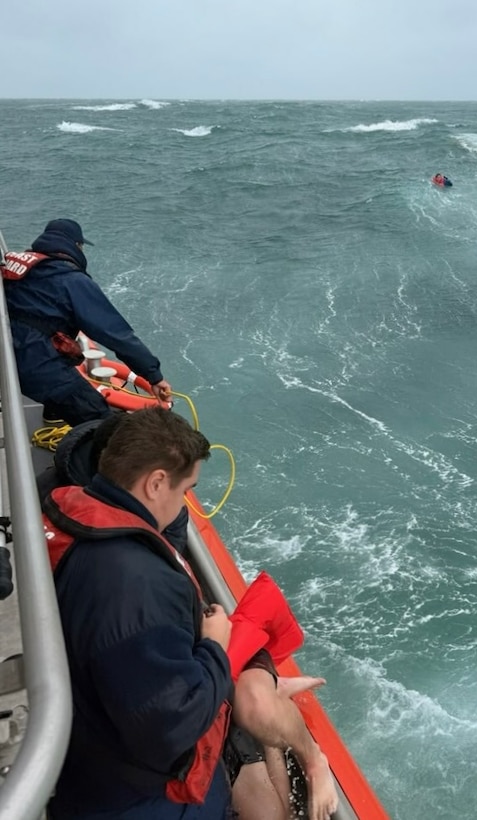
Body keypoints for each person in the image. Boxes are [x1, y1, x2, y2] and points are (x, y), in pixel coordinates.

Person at [41, 409, 338, 820]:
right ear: (156, 482)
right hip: (140, 795)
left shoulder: (78, 520)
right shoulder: (137, 584)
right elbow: (174, 727)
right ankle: (288, 725)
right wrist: (216, 643)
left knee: (253, 708)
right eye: (187, 490)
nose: (184, 504)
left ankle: (275, 698)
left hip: (91, 751)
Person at [1, 218, 171, 426]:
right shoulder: (72, 281)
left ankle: (53, 412)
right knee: (105, 424)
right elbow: (116, 334)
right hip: (35, 362)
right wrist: (153, 375)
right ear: (76, 246)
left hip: (8, 350)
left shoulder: (18, 265)